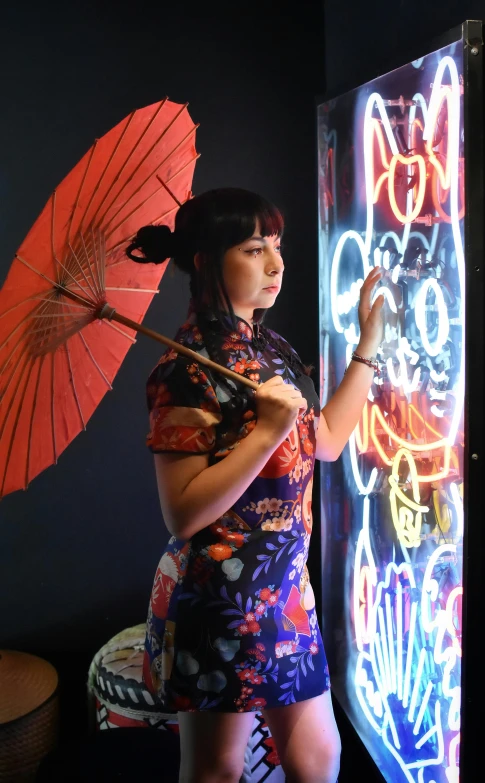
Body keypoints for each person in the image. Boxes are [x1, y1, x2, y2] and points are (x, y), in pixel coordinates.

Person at [126, 188, 384, 783]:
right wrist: (265, 434)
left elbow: (325, 441)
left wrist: (366, 346)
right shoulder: (182, 369)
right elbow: (183, 515)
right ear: (205, 261)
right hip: (220, 598)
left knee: (317, 758)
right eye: (252, 248)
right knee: (218, 769)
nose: (276, 264)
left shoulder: (270, 348)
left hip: (285, 593)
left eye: (277, 246)